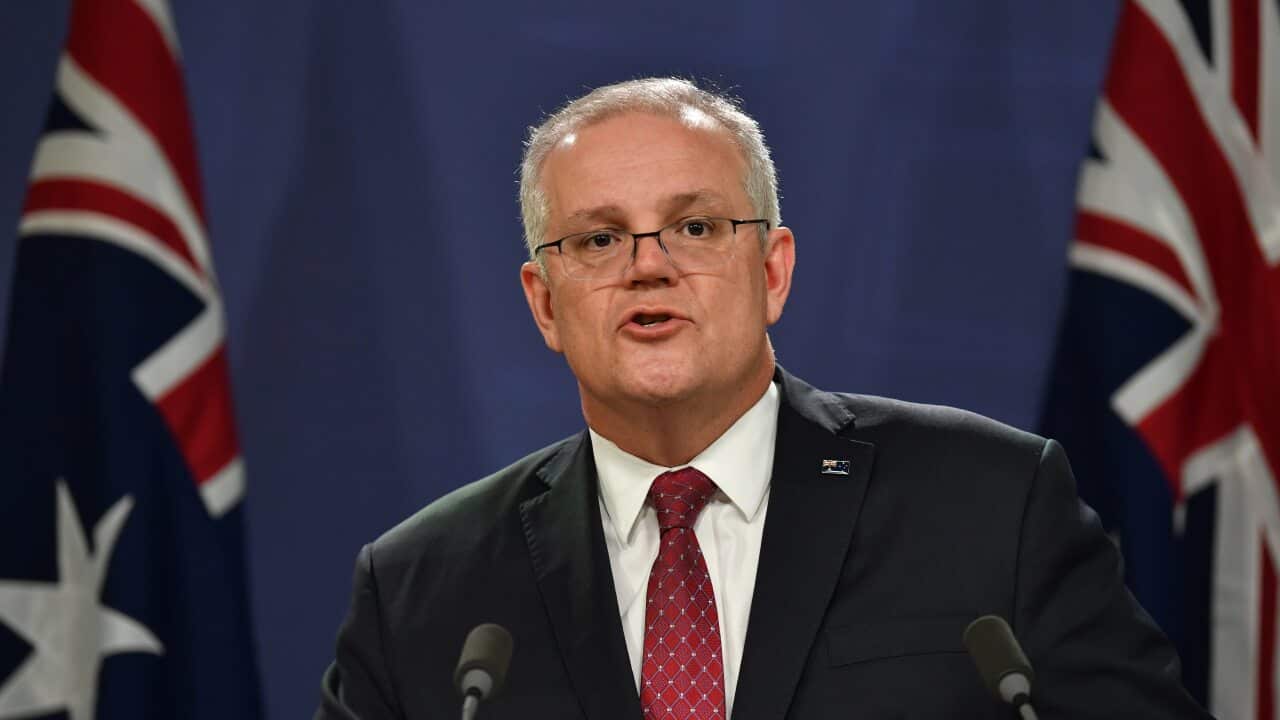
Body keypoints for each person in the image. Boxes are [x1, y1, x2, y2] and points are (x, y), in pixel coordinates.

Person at [316, 78, 1211, 719]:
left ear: (773, 271)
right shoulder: (421, 589)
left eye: (696, 226)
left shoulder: (989, 505)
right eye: (597, 240)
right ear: (545, 303)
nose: (648, 266)